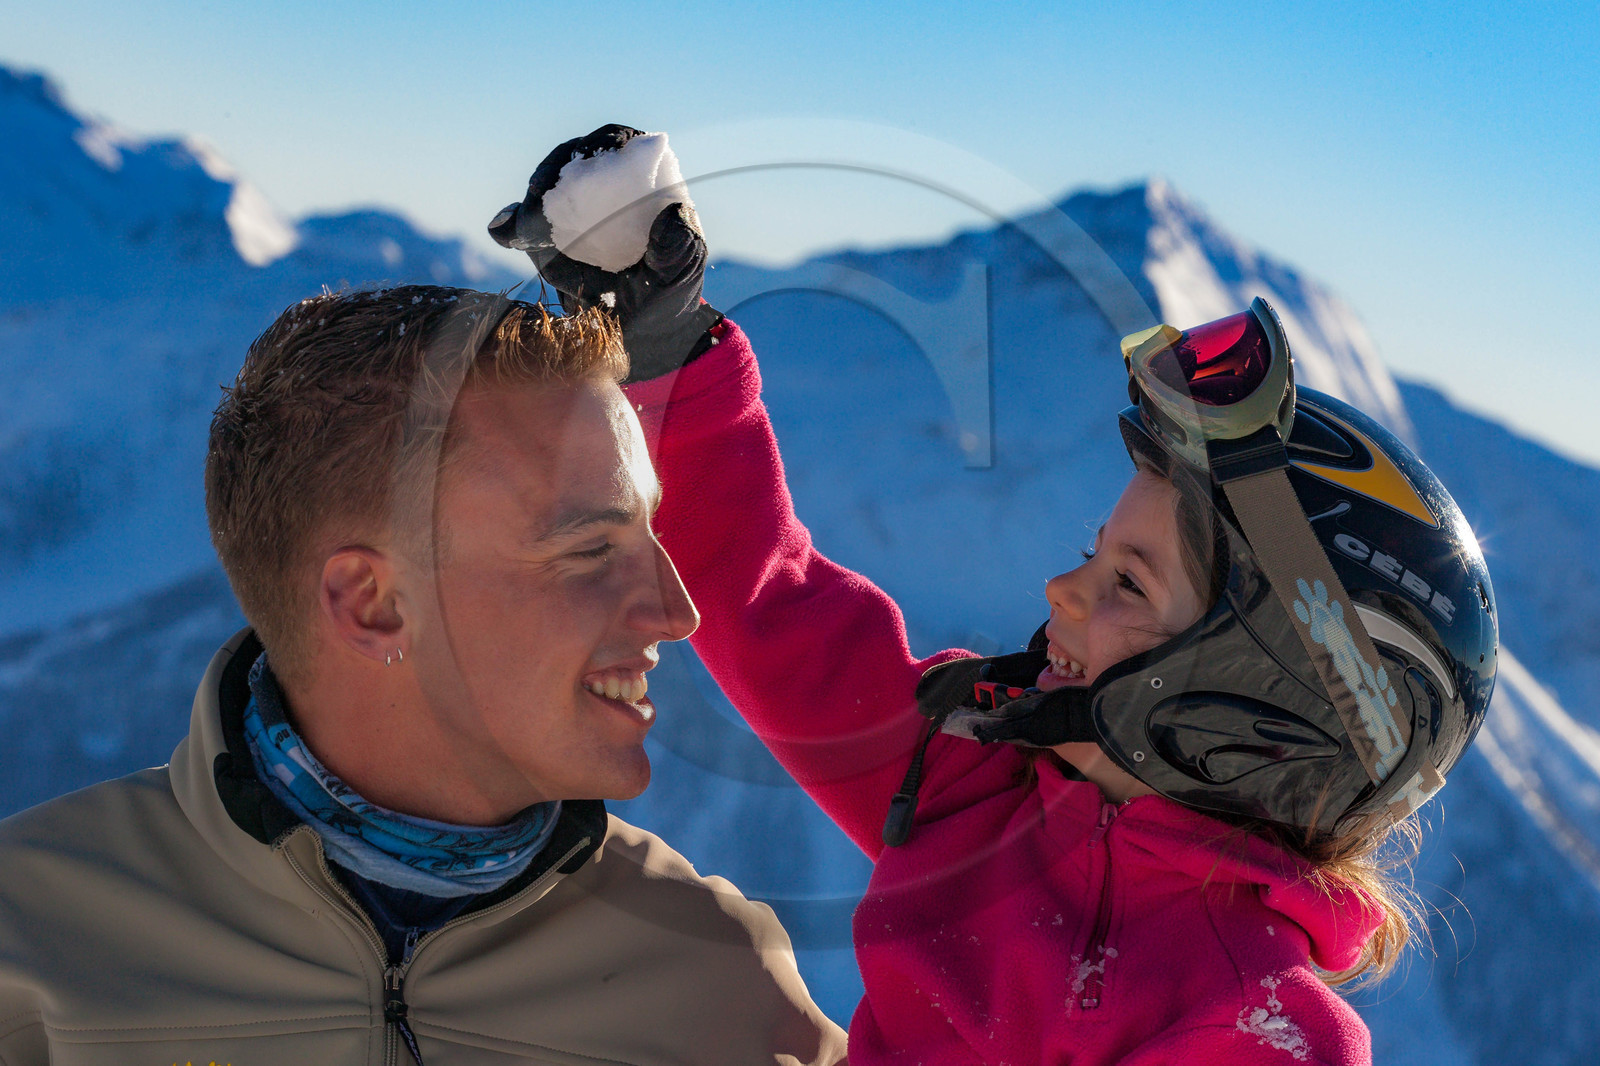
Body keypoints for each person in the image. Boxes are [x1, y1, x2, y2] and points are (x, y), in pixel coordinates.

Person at [492, 127, 1498, 1064]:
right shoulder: (972, 779)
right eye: (1093, 554)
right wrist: (663, 336)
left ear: (1255, 705)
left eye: (1125, 582)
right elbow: (773, 604)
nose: (1061, 588)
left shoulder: (1255, 1025)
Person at [0, 286, 847, 1064]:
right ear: (372, 606)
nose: (677, 610)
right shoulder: (31, 939)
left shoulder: (714, 978)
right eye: (591, 549)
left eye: (648, 536)